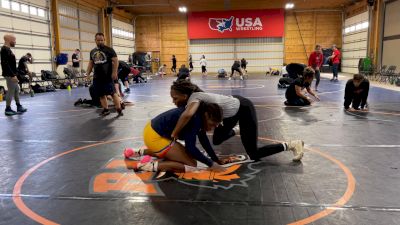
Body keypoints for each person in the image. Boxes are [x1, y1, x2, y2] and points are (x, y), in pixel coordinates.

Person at [169, 80, 305, 162]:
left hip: (243, 108)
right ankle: (238, 129)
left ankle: (292, 144)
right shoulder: (194, 99)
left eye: (175, 98)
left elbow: (187, 115)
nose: (174, 102)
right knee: (217, 140)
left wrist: (174, 133)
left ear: (185, 95)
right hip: (230, 112)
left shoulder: (194, 98)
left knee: (253, 154)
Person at [130, 101, 226, 173]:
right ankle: (146, 166)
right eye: (212, 124)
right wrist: (211, 164)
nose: (212, 128)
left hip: (152, 130)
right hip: (155, 138)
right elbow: (191, 148)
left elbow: (203, 139)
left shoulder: (199, 113)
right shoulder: (195, 120)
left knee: (187, 156)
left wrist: (215, 159)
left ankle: (137, 152)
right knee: (192, 164)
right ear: (206, 115)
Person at [86, 32, 123, 117]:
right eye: (98, 40)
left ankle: (119, 109)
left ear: (104, 40)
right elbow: (91, 63)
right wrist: (87, 74)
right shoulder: (92, 52)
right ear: (95, 40)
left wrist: (114, 72)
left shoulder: (109, 50)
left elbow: (116, 61)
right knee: (101, 95)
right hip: (97, 77)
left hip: (107, 76)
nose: (100, 42)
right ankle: (106, 110)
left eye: (102, 40)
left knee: (113, 93)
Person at [1, 34, 27, 116]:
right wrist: (12, 75)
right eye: (14, 40)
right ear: (9, 40)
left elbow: (11, 64)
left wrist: (16, 74)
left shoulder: (8, 49)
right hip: (9, 75)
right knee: (11, 91)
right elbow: (5, 64)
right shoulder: (4, 49)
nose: (15, 42)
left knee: (16, 89)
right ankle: (7, 109)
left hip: (12, 74)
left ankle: (18, 106)